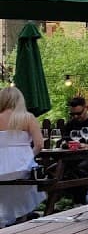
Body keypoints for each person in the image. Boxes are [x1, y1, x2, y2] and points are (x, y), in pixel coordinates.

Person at [0, 86, 45, 226]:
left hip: (1, 165)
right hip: (22, 165)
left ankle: (5, 218)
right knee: (26, 183)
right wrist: (29, 157)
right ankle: (21, 220)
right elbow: (39, 144)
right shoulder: (27, 118)